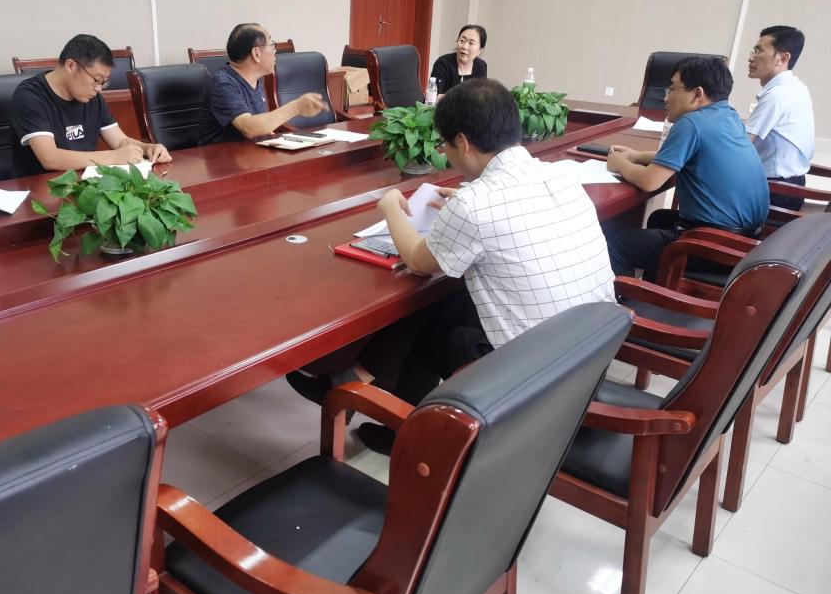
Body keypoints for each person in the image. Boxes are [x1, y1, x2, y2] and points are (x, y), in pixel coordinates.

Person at [288, 78, 616, 453]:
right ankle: (363, 394)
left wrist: (390, 207)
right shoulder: (559, 175)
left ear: (463, 142)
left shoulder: (475, 203)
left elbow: (418, 261)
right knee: (445, 301)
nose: (446, 154)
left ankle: (395, 427)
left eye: (445, 145)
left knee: (426, 318)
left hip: (534, 373)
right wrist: (466, 202)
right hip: (591, 351)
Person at [606, 56, 769, 282]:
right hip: (746, 240)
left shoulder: (691, 123)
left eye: (672, 89)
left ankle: (625, 301)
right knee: (659, 219)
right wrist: (636, 156)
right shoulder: (728, 115)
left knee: (615, 243)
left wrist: (619, 163)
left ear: (697, 94)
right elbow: (689, 156)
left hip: (713, 245)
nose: (666, 98)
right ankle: (657, 289)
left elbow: (649, 181)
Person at [10, 34, 171, 177]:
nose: (99, 88)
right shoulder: (30, 96)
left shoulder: (91, 97)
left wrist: (148, 148)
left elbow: (120, 141)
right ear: (71, 66)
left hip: (85, 185)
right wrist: (114, 156)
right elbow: (50, 158)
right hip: (42, 188)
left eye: (103, 82)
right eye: (97, 80)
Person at [198, 23, 328, 145]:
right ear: (256, 53)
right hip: (221, 158)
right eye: (271, 45)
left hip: (249, 155)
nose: (275, 51)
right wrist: (297, 107)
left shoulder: (256, 79)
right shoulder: (223, 82)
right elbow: (249, 128)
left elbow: (259, 127)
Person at [746, 25, 815, 211]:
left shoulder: (777, 95)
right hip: (791, 186)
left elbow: (741, 145)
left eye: (758, 51)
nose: (751, 58)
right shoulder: (795, 86)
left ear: (783, 58)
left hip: (776, 193)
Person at [430, 24, 488, 96]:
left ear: (480, 50)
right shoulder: (443, 63)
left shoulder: (481, 66)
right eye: (462, 40)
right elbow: (434, 97)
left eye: (471, 43)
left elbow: (482, 96)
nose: (464, 46)